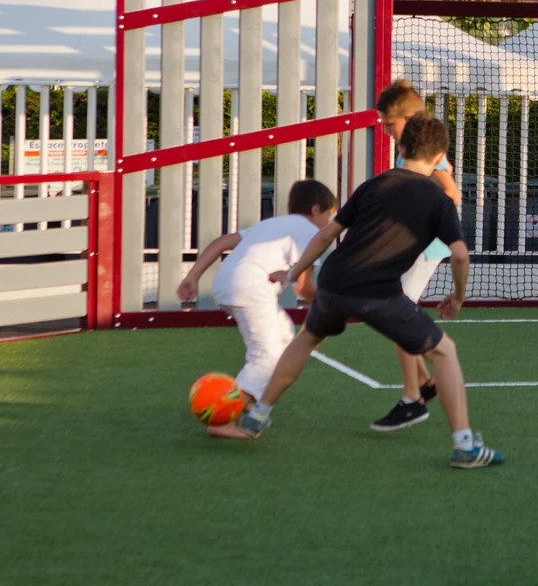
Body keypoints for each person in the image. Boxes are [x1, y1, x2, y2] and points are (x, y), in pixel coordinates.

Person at [212, 113, 504, 469]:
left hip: (334, 282)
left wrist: (295, 271)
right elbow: (459, 254)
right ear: (439, 155)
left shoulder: (373, 185)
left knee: (305, 338)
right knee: (445, 351)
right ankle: (465, 445)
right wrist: (457, 298)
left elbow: (325, 236)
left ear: (402, 147)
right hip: (378, 292)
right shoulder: (439, 199)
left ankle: (257, 416)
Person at [175, 180, 337, 433]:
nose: (328, 223)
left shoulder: (273, 224)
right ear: (317, 209)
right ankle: (223, 419)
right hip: (250, 287)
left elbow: (221, 243)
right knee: (269, 355)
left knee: (285, 339)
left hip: (227, 284)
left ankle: (248, 404)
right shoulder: (309, 231)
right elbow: (303, 287)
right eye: (330, 215)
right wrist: (332, 305)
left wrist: (192, 276)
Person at [365, 79, 462, 432]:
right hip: (419, 240)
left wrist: (421, 225)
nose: (386, 130)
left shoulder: (427, 152)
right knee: (396, 308)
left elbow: (451, 194)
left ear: (407, 117)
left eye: (389, 123)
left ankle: (412, 400)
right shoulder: (409, 148)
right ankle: (424, 383)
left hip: (426, 242)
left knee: (399, 309)